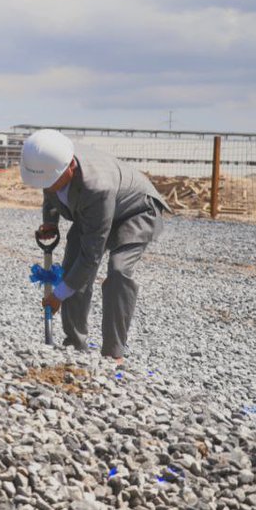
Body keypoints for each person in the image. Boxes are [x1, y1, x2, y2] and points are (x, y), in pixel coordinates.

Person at [20, 129, 168, 362]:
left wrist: (58, 295)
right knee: (72, 270)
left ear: (71, 166)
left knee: (118, 271)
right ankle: (75, 346)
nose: (48, 187)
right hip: (93, 212)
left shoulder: (96, 186)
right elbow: (49, 189)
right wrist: (50, 222)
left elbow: (91, 256)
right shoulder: (53, 163)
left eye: (52, 182)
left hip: (136, 211)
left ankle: (113, 354)